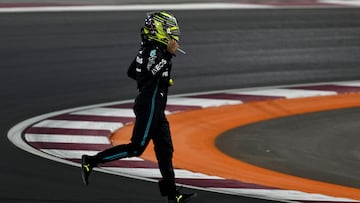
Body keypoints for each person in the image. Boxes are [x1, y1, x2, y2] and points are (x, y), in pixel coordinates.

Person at [81, 11, 195, 203]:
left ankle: (172, 194)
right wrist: (167, 57)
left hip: (155, 106)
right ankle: (91, 162)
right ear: (159, 30)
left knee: (165, 150)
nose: (174, 36)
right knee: (136, 148)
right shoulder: (155, 51)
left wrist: (161, 80)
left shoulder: (150, 49)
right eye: (170, 31)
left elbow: (133, 71)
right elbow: (149, 72)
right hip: (149, 104)